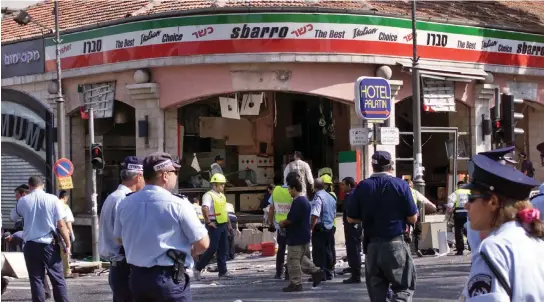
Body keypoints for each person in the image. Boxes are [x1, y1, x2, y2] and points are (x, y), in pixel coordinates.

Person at [114, 152, 209, 301]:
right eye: (175, 172)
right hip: (169, 279)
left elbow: (119, 239)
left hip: (137, 278)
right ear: (165, 175)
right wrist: (192, 250)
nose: (176, 176)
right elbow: (203, 244)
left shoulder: (125, 203)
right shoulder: (178, 204)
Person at [460, 154, 543, 301]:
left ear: (493, 202)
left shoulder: (493, 248)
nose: (466, 205)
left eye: (472, 197)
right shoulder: (536, 242)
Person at [347, 151, 418, 302]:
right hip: (395, 244)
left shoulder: (362, 187)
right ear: (390, 166)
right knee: (403, 289)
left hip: (372, 247)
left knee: (377, 294)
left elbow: (350, 218)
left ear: (372, 166)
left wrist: (366, 217)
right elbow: (413, 217)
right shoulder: (401, 185)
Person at [10, 176, 71, 302]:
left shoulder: (23, 201)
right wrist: (67, 243)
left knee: (36, 279)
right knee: (57, 279)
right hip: (49, 245)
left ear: (29, 186)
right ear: (42, 185)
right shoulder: (53, 199)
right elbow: (61, 224)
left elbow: (13, 217)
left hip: (30, 246)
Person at [98, 156, 145, 302]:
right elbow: (127, 236)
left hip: (119, 267)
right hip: (125, 267)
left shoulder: (113, 197)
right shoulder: (124, 199)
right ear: (138, 176)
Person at [279, 174, 323, 292]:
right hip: (303, 235)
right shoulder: (306, 201)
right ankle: (316, 271)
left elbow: (291, 219)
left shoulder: (298, 202)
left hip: (296, 236)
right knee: (301, 258)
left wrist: (282, 223)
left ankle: (296, 283)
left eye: (289, 189)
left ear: (294, 188)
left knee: (293, 260)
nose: (288, 191)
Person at [194, 173, 234, 280]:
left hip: (223, 224)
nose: (223, 186)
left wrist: (229, 225)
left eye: (223, 184)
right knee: (212, 249)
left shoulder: (222, 196)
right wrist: (208, 221)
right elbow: (205, 208)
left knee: (223, 249)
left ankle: (223, 272)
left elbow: (225, 212)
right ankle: (198, 268)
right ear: (214, 185)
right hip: (214, 225)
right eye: (220, 184)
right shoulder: (209, 195)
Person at [310, 178, 337, 281]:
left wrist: (311, 227)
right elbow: (334, 213)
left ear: (314, 186)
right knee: (328, 250)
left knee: (318, 252)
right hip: (330, 228)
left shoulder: (318, 197)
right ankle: (329, 273)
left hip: (320, 229)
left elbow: (315, 215)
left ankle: (320, 274)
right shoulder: (330, 197)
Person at [267, 176, 293, 280]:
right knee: (291, 249)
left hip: (280, 225)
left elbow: (271, 209)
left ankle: (279, 272)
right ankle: (288, 272)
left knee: (281, 249)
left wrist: (271, 223)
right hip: (291, 225)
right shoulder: (294, 191)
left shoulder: (276, 190)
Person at [405, 179, 437, 257]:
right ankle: (416, 249)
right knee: (417, 231)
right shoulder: (414, 192)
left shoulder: (402, 192)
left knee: (407, 231)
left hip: (406, 215)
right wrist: (433, 206)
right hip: (414, 215)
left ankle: (408, 248)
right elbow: (424, 200)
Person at [340, 177, 362, 284]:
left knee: (354, 250)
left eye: (343, 184)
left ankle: (356, 275)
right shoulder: (354, 195)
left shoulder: (351, 196)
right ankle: (354, 270)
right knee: (354, 249)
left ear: (349, 185)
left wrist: (351, 220)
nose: (342, 187)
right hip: (352, 226)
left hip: (352, 226)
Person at [447, 181, 471, 255]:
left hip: (459, 214)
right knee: (469, 231)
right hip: (469, 214)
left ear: (458, 186)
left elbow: (450, 206)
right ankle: (472, 247)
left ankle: (460, 250)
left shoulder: (456, 193)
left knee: (458, 232)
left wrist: (449, 213)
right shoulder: (469, 192)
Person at [58, 190, 75, 278]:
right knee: (66, 250)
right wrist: (71, 232)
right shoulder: (65, 206)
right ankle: (67, 271)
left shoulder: (54, 204)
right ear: (65, 197)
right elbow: (68, 221)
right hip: (63, 231)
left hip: (54, 233)